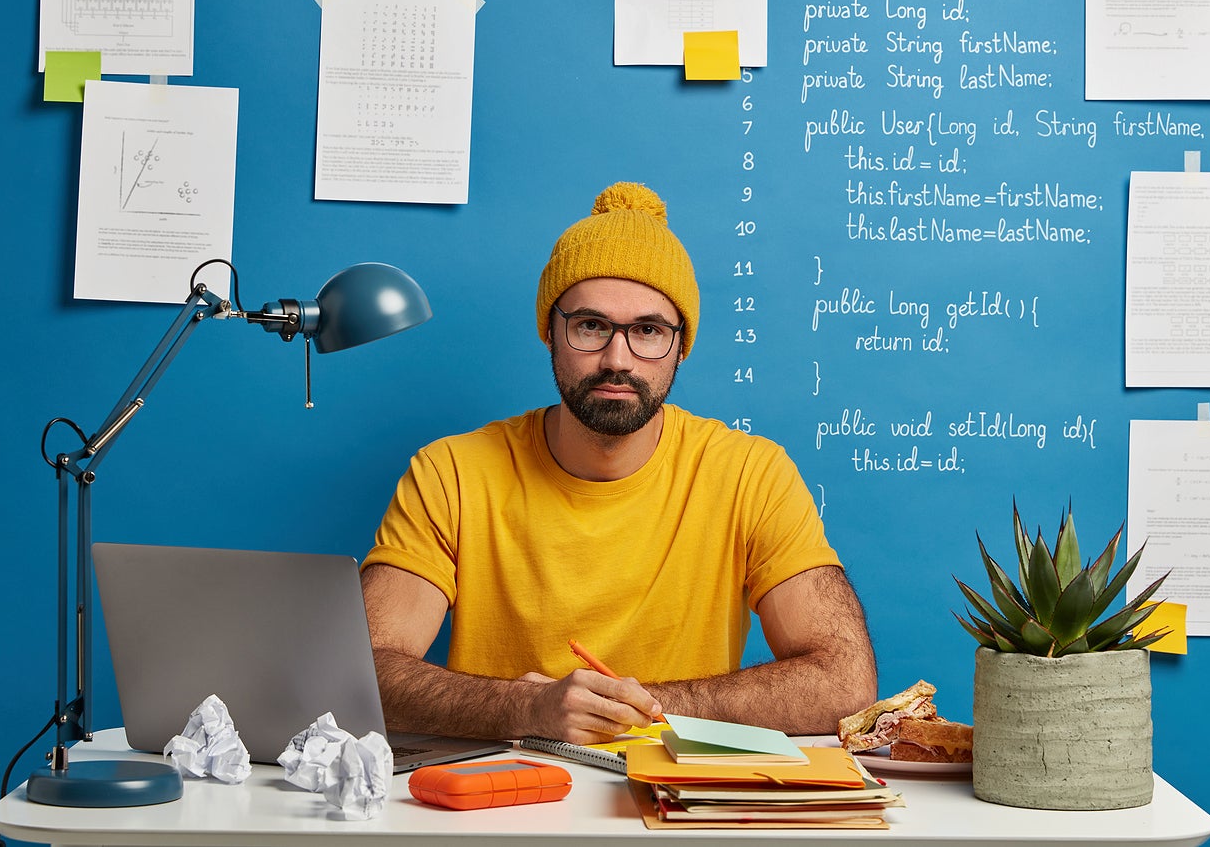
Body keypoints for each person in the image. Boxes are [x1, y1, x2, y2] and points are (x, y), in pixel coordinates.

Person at [361, 181, 876, 744]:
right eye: (590, 326)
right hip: (504, 803)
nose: (617, 359)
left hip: (676, 806)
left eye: (648, 331)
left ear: (681, 346)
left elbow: (845, 682)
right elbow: (361, 670)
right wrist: (525, 707)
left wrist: (643, 706)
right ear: (550, 334)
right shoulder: (451, 473)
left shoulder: (751, 474)